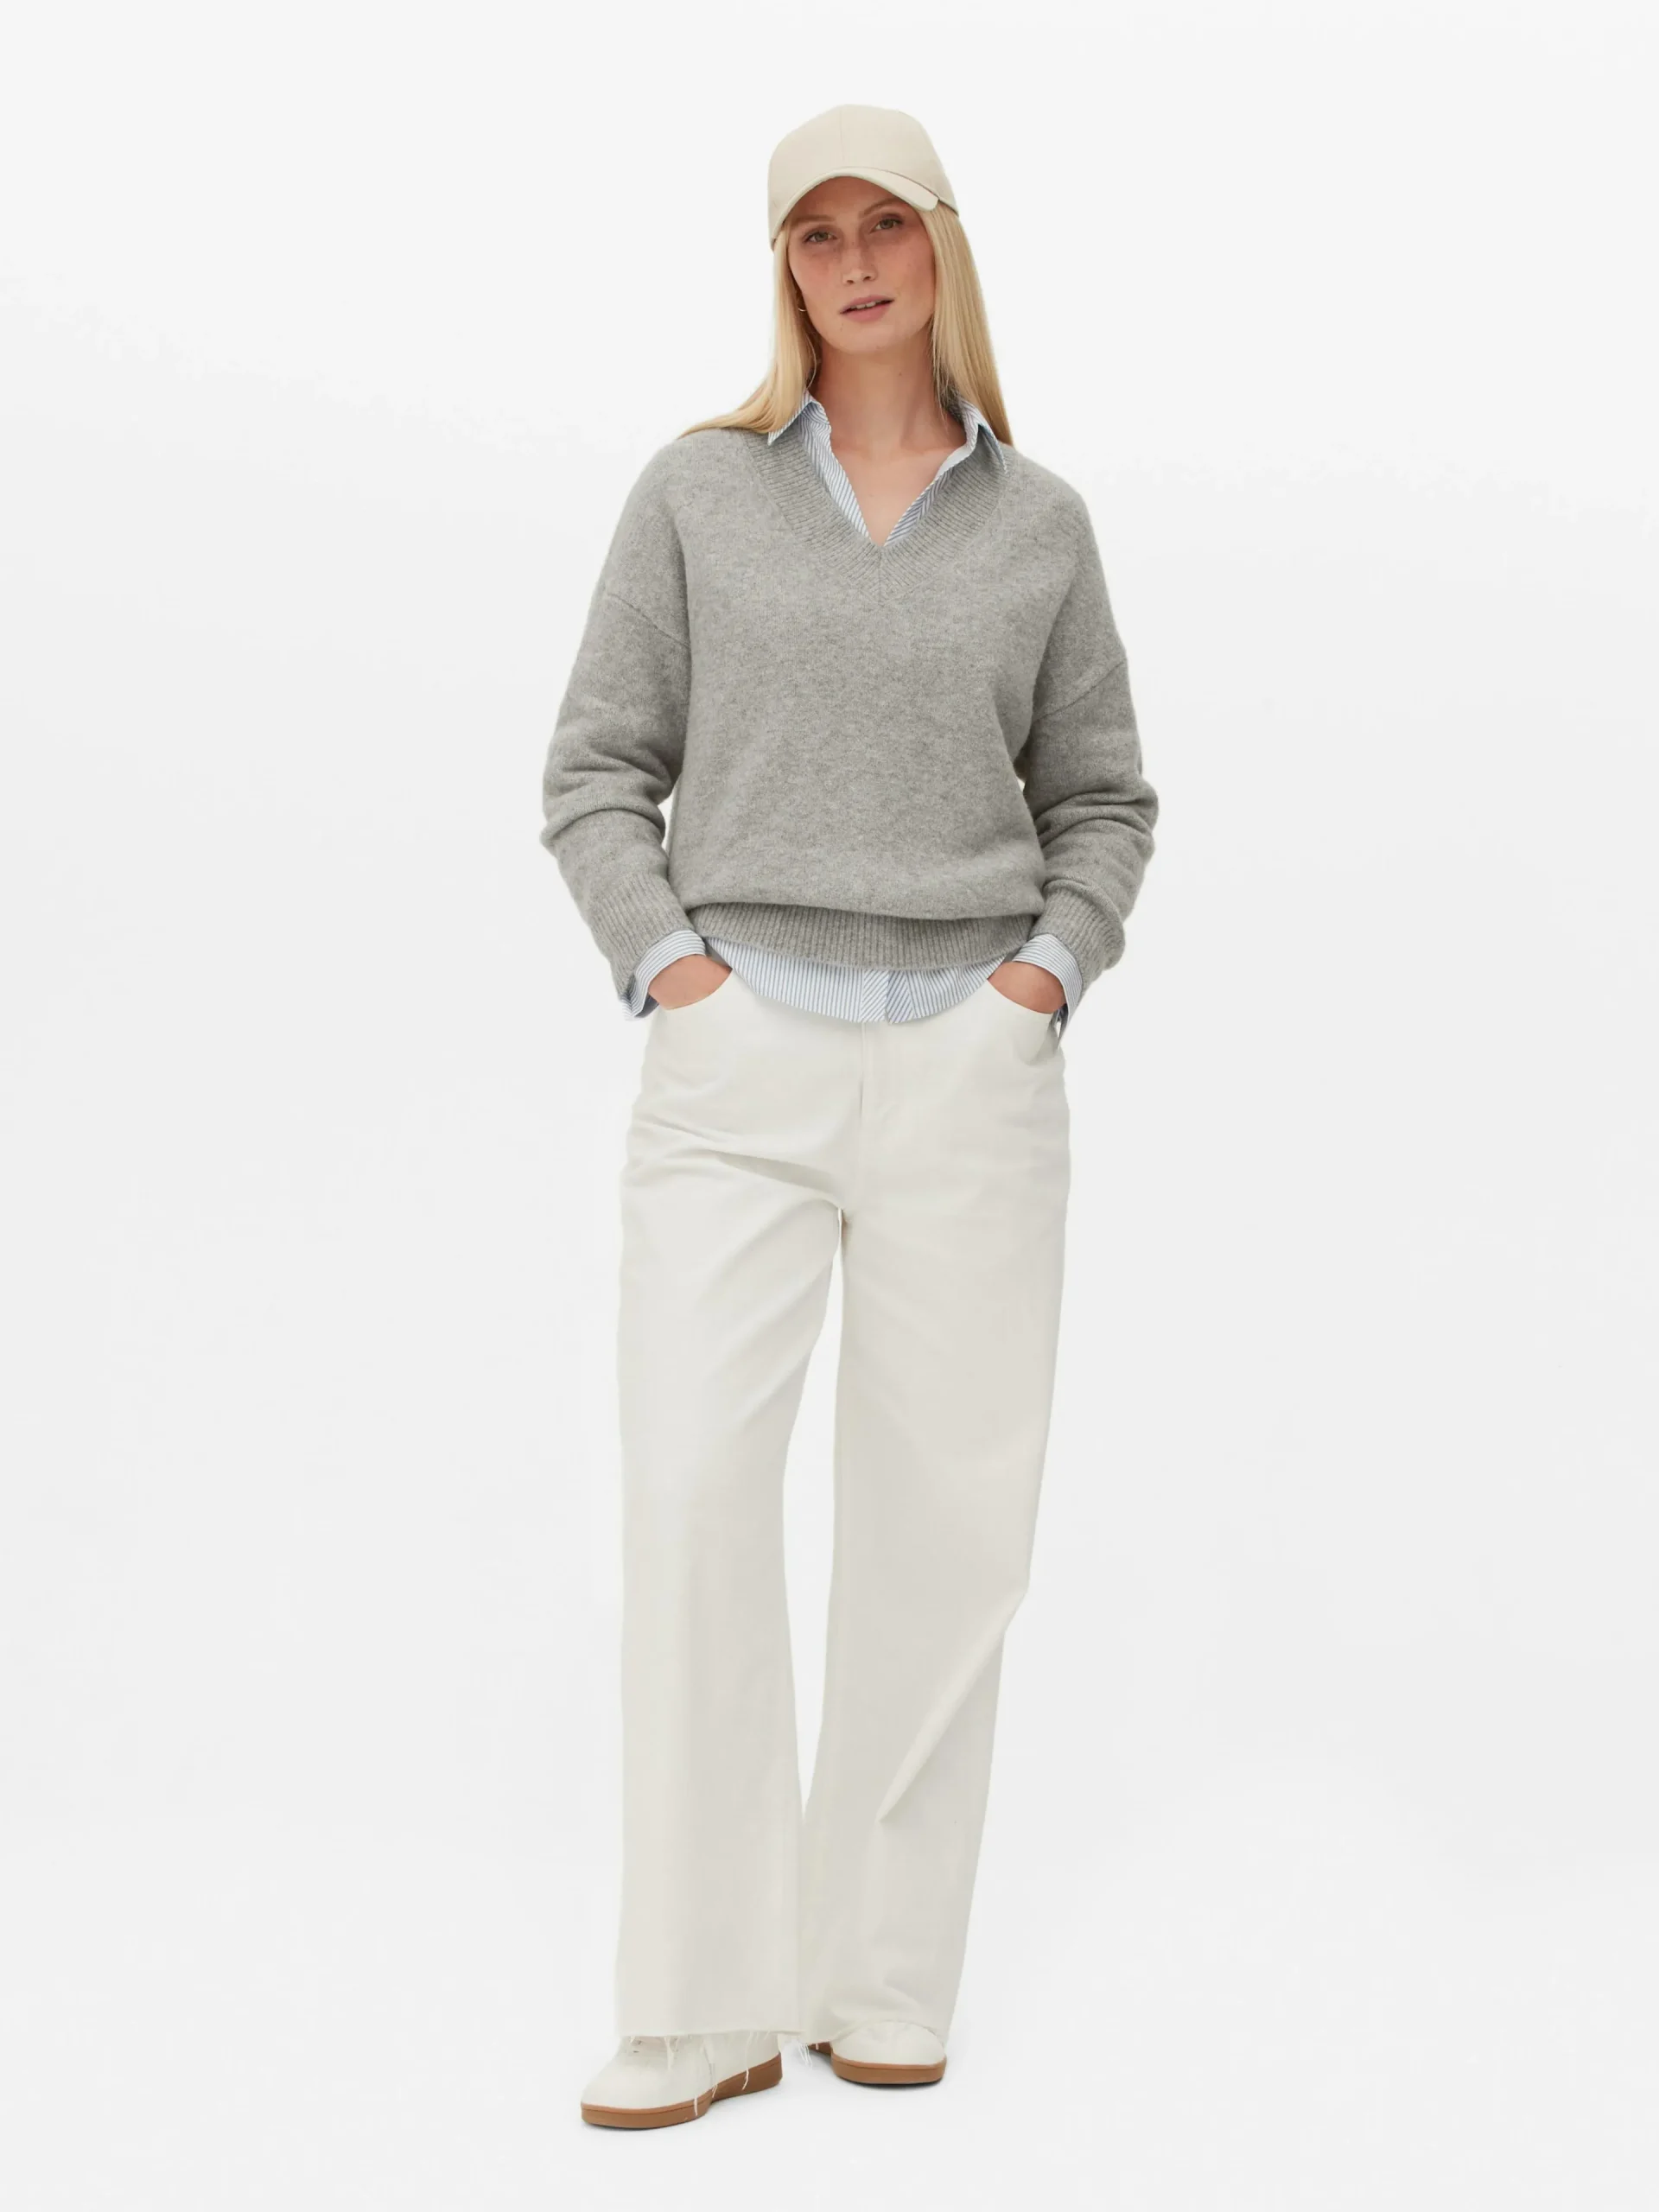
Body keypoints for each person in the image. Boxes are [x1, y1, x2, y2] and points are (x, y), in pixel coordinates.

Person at [541, 102, 1160, 2131]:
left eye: (887, 221)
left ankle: (883, 1974)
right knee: (693, 1500)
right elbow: (596, 769)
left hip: (971, 1063)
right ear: (784, 270)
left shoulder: (1039, 524)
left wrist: (1039, 981)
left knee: (944, 1527)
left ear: (944, 244)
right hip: (738, 1067)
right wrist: (675, 971)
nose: (856, 260)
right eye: (816, 232)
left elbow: (1102, 799)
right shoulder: (699, 494)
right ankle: (700, 1998)